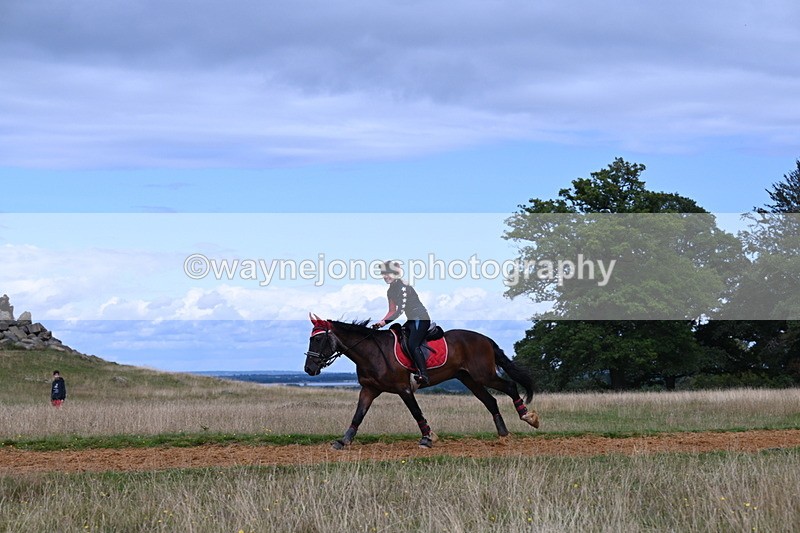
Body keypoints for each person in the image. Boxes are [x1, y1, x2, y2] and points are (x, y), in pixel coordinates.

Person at [371, 260, 432, 385]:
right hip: (411, 320)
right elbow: (391, 311)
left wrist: (384, 323)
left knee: (412, 344)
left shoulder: (404, 288)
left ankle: (424, 375)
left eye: (387, 273)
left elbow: (399, 311)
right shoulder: (390, 291)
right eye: (383, 274)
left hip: (421, 318)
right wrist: (380, 322)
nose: (385, 276)